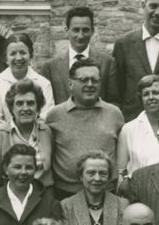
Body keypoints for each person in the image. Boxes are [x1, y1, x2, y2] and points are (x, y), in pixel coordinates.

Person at [47, 59, 125, 199]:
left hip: (106, 193)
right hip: (65, 193)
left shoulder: (114, 114)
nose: (90, 84)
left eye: (94, 80)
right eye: (84, 80)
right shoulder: (55, 115)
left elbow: (122, 155)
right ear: (70, 84)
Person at [36, 5, 117, 105]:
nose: (80, 36)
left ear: (92, 31)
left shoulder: (108, 63)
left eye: (85, 30)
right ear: (67, 30)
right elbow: (45, 105)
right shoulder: (50, 67)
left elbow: (114, 102)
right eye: (76, 30)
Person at [0, 79, 54, 190]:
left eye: (30, 103)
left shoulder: (46, 132)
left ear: (38, 108)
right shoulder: (0, 135)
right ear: (11, 108)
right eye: (19, 103)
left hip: (43, 197)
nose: (25, 108)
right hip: (11, 199)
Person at [60, 151, 127, 225]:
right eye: (91, 173)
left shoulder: (123, 205)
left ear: (109, 177)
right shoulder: (66, 206)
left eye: (103, 173)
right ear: (81, 176)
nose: (97, 178)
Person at [0, 33, 55, 126]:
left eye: (23, 52)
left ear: (30, 55)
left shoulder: (43, 84)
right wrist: (14, 136)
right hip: (5, 138)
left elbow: (46, 118)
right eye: (13, 54)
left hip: (36, 138)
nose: (18, 58)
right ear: (6, 59)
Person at [116, 75, 159, 181]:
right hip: (138, 190)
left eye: (156, 93)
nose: (151, 97)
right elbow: (121, 170)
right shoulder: (128, 129)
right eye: (146, 94)